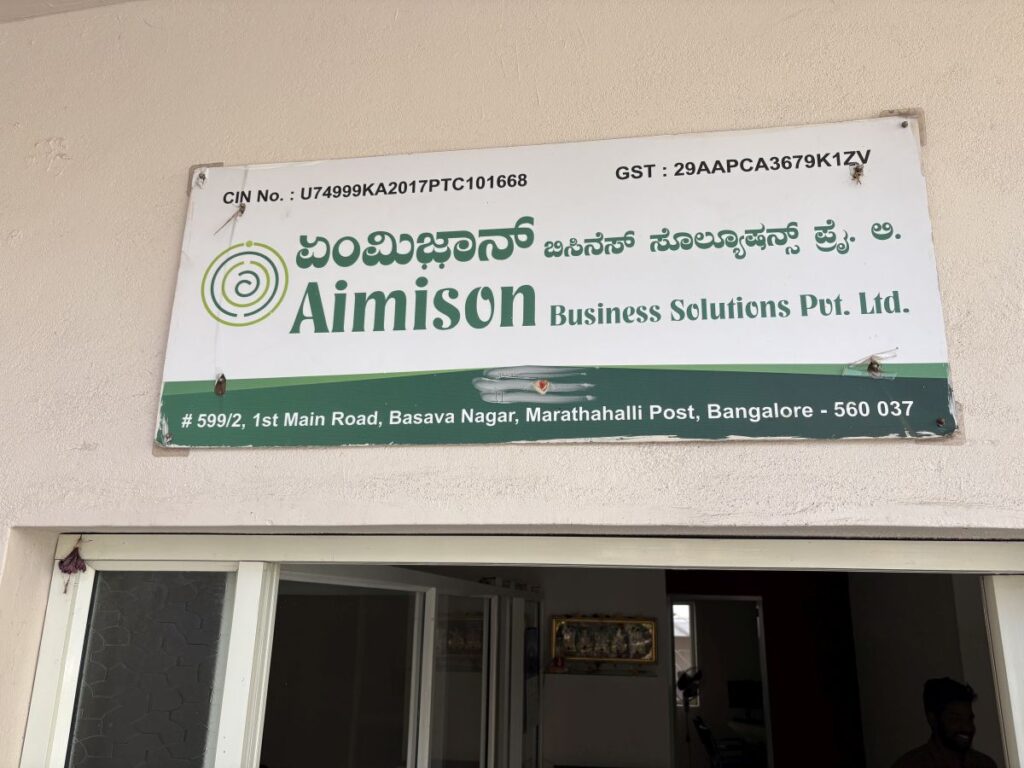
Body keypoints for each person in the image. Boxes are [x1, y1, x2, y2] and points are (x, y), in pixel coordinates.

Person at [891, 677, 998, 767]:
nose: (967, 727)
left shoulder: (984, 764)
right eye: (956, 719)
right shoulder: (910, 764)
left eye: (969, 719)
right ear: (933, 719)